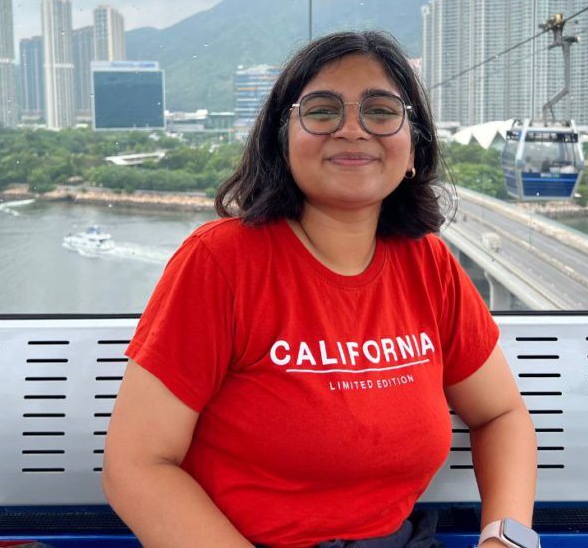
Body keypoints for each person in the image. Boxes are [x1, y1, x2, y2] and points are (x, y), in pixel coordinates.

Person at [102, 31, 538, 548]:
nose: (352, 130)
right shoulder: (221, 264)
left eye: (380, 111)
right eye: (322, 110)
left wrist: (503, 539)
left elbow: (501, 414)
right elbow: (138, 464)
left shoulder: (429, 264)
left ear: (414, 149)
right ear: (282, 140)